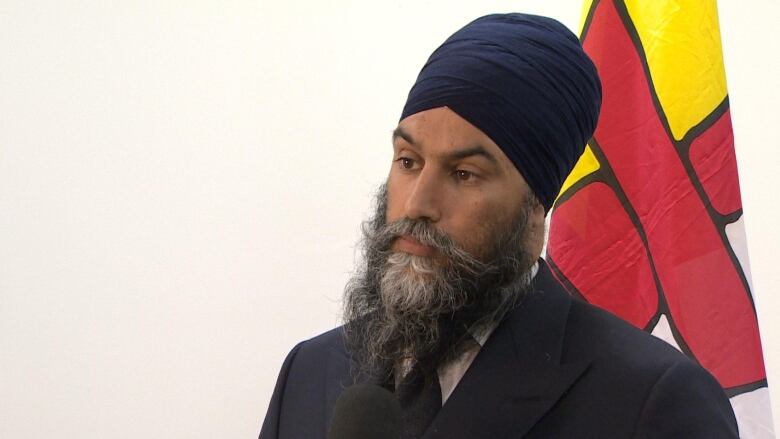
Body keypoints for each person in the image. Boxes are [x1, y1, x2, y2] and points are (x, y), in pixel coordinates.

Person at [259, 13, 738, 439]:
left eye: (463, 174)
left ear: (535, 207)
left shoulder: (652, 402)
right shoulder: (311, 371)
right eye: (408, 161)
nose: (417, 204)